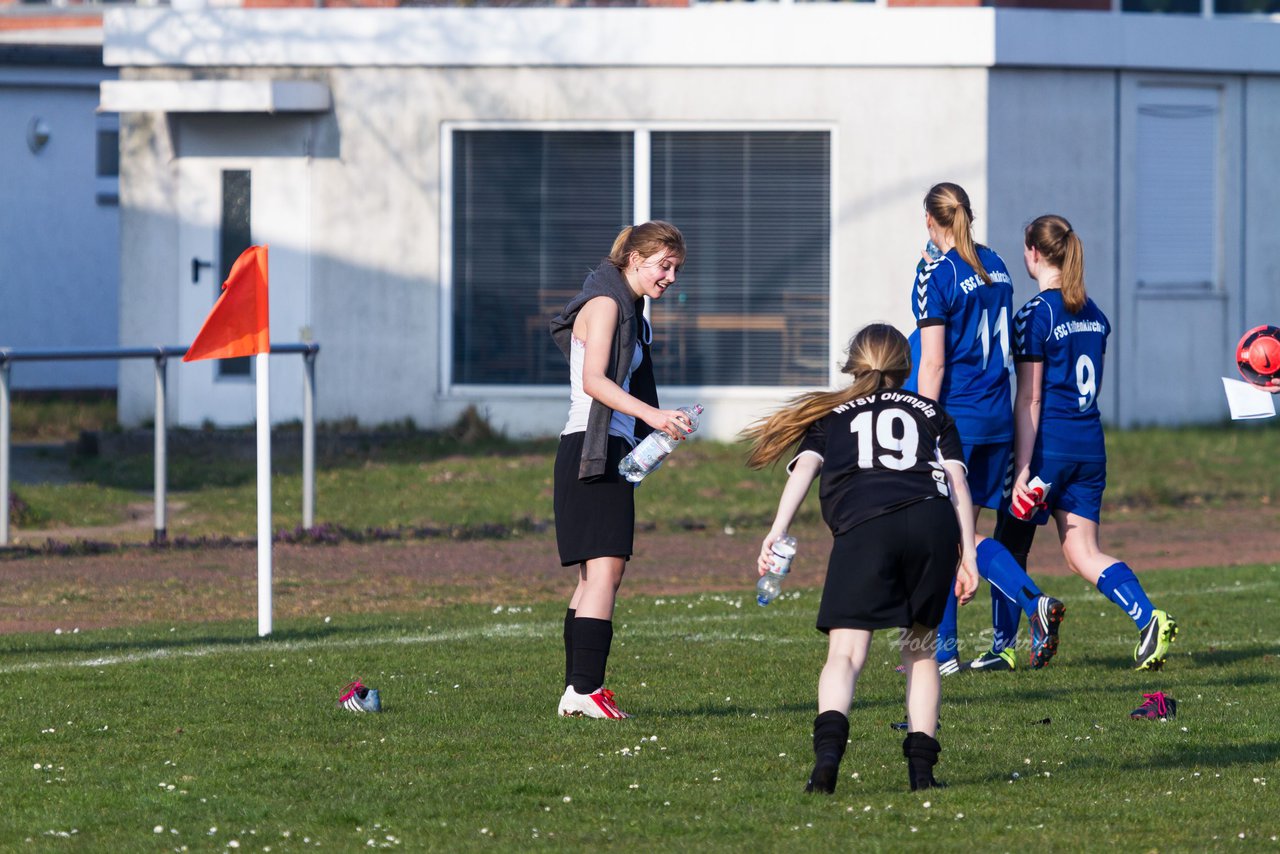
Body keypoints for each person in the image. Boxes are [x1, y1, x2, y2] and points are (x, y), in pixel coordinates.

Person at [743, 323, 980, 794]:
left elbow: (806, 469)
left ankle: (826, 764)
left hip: (867, 527)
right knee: (920, 651)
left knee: (847, 654)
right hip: (931, 524)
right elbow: (957, 484)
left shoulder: (832, 414)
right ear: (905, 368)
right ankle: (922, 775)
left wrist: (777, 530)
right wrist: (968, 554)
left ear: (852, 365)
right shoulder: (932, 412)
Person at [1012, 214, 1178, 671]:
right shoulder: (1095, 313)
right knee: (1080, 552)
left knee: (1006, 545)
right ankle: (1148, 618)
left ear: (1034, 253)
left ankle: (1003, 645)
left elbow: (1030, 396)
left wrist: (1022, 467)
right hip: (1090, 443)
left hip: (1052, 447)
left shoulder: (1035, 314)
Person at [912, 182, 1062, 673]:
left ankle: (1025, 602)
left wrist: (922, 422)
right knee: (963, 529)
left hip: (959, 416)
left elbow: (932, 364)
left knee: (948, 530)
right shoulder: (996, 263)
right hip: (998, 413)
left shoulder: (940, 272)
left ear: (932, 221)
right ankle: (948, 650)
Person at [548, 221, 692, 719]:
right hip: (591, 448)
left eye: (676, 268)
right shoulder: (607, 304)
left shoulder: (633, 311)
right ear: (634, 259)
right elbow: (593, 382)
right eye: (664, 265)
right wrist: (652, 416)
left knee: (596, 576)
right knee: (605, 570)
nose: (671, 277)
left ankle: (576, 692)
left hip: (607, 447)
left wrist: (654, 427)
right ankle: (586, 690)